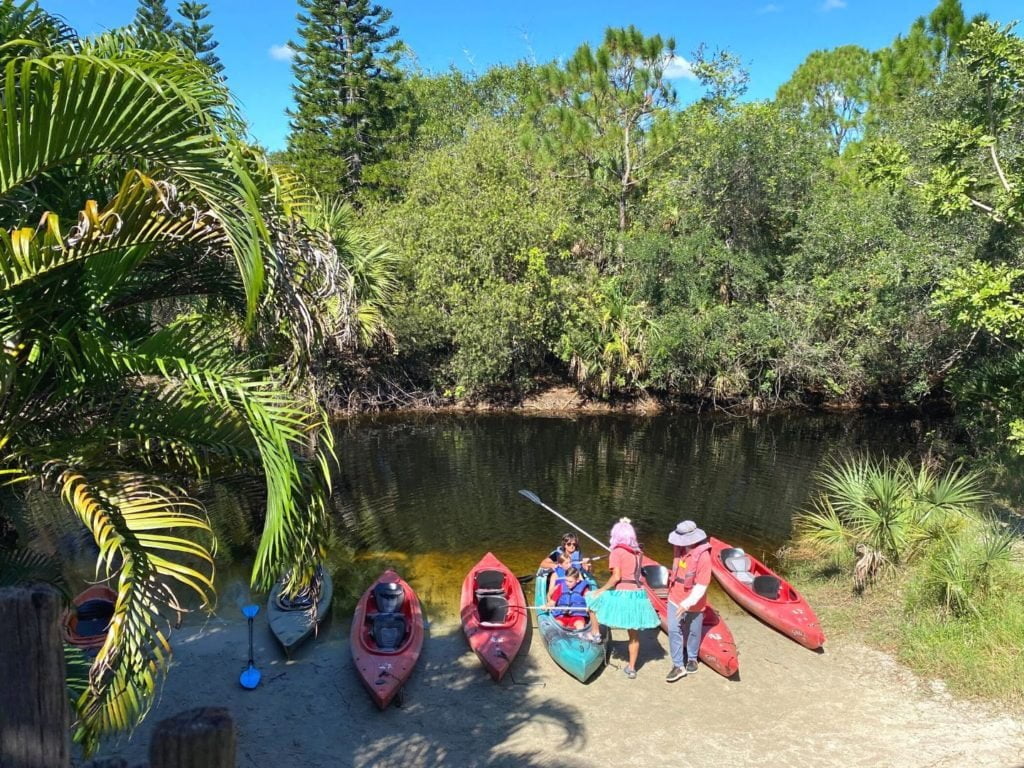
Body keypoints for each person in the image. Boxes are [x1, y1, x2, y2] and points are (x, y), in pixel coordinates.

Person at [585, 518, 660, 679]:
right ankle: (632, 668)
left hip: (623, 594)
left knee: (591, 598)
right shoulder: (639, 553)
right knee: (633, 635)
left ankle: (595, 633)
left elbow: (616, 577)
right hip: (637, 595)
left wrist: (602, 590)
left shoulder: (617, 552)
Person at [664, 520, 712, 683]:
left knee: (693, 631)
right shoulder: (679, 549)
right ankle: (678, 665)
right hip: (674, 597)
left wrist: (687, 603)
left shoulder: (704, 557)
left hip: (694, 602)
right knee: (673, 629)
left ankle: (692, 657)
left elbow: (702, 585)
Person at [546, 566, 591, 631]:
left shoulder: (583, 588)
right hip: (562, 615)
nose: (567, 583)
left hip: (577, 616)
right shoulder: (561, 587)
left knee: (580, 625)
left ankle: (582, 637)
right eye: (566, 580)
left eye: (570, 581)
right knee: (557, 625)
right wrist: (547, 605)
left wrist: (588, 607)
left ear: (577, 580)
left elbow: (590, 600)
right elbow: (552, 602)